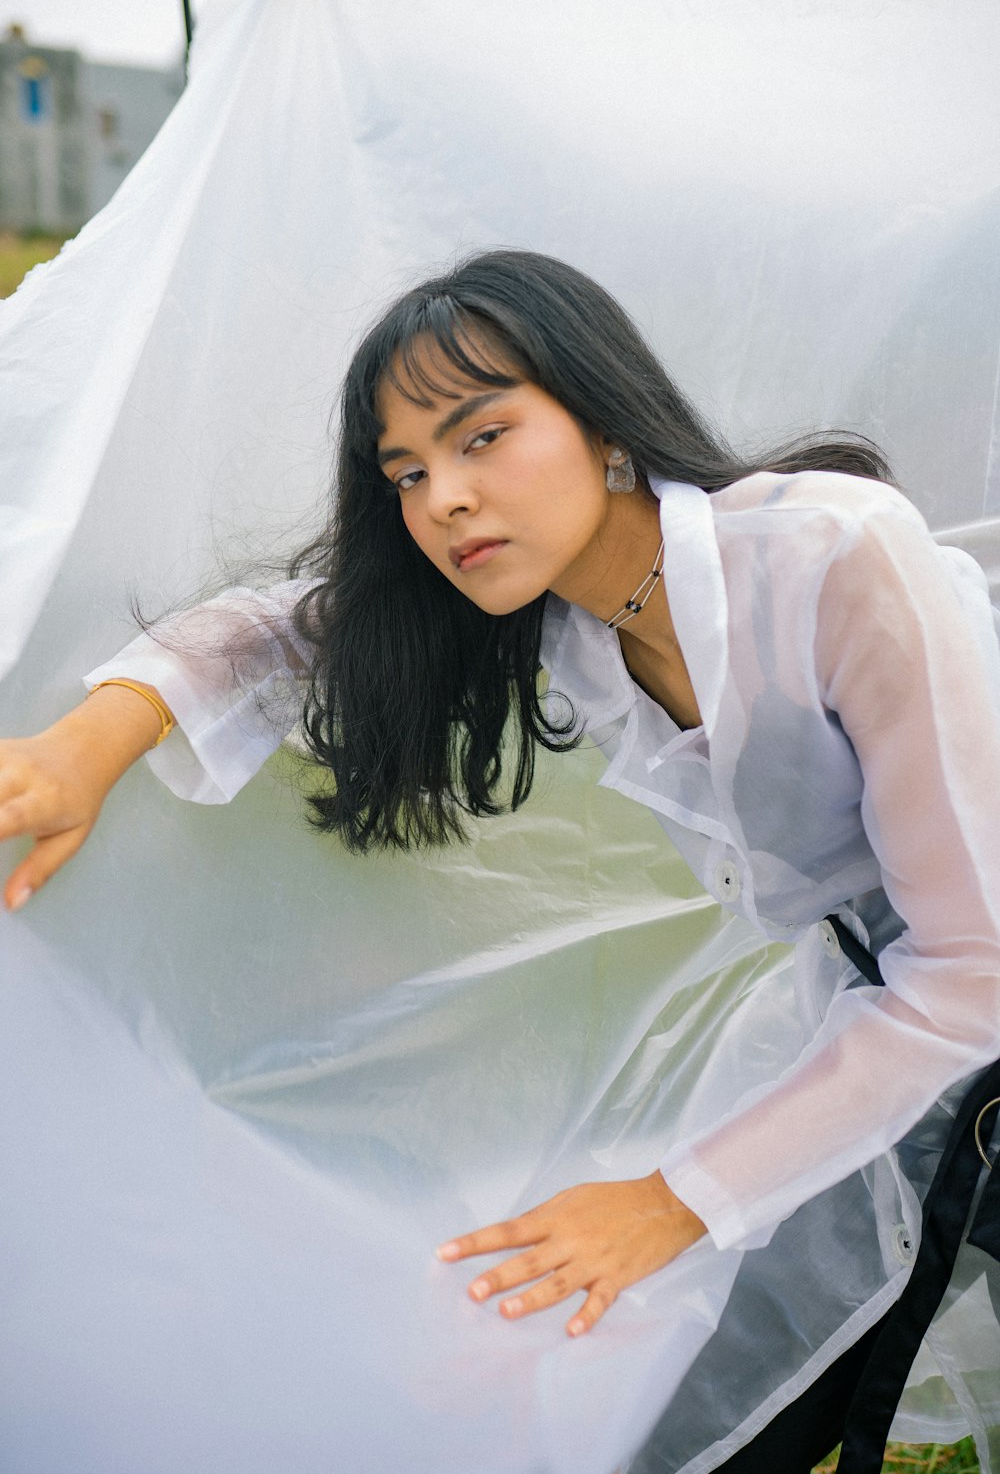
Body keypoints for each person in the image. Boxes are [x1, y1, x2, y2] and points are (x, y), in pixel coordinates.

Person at [2, 249, 999, 1472]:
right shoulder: (564, 613)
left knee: (712, 1326)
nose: (442, 501)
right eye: (408, 472)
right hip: (874, 1002)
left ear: (607, 425)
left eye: (482, 437)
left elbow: (969, 969)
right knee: (650, 1381)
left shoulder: (834, 554)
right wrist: (81, 747)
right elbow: (288, 624)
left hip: (959, 994)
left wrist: (667, 1203)